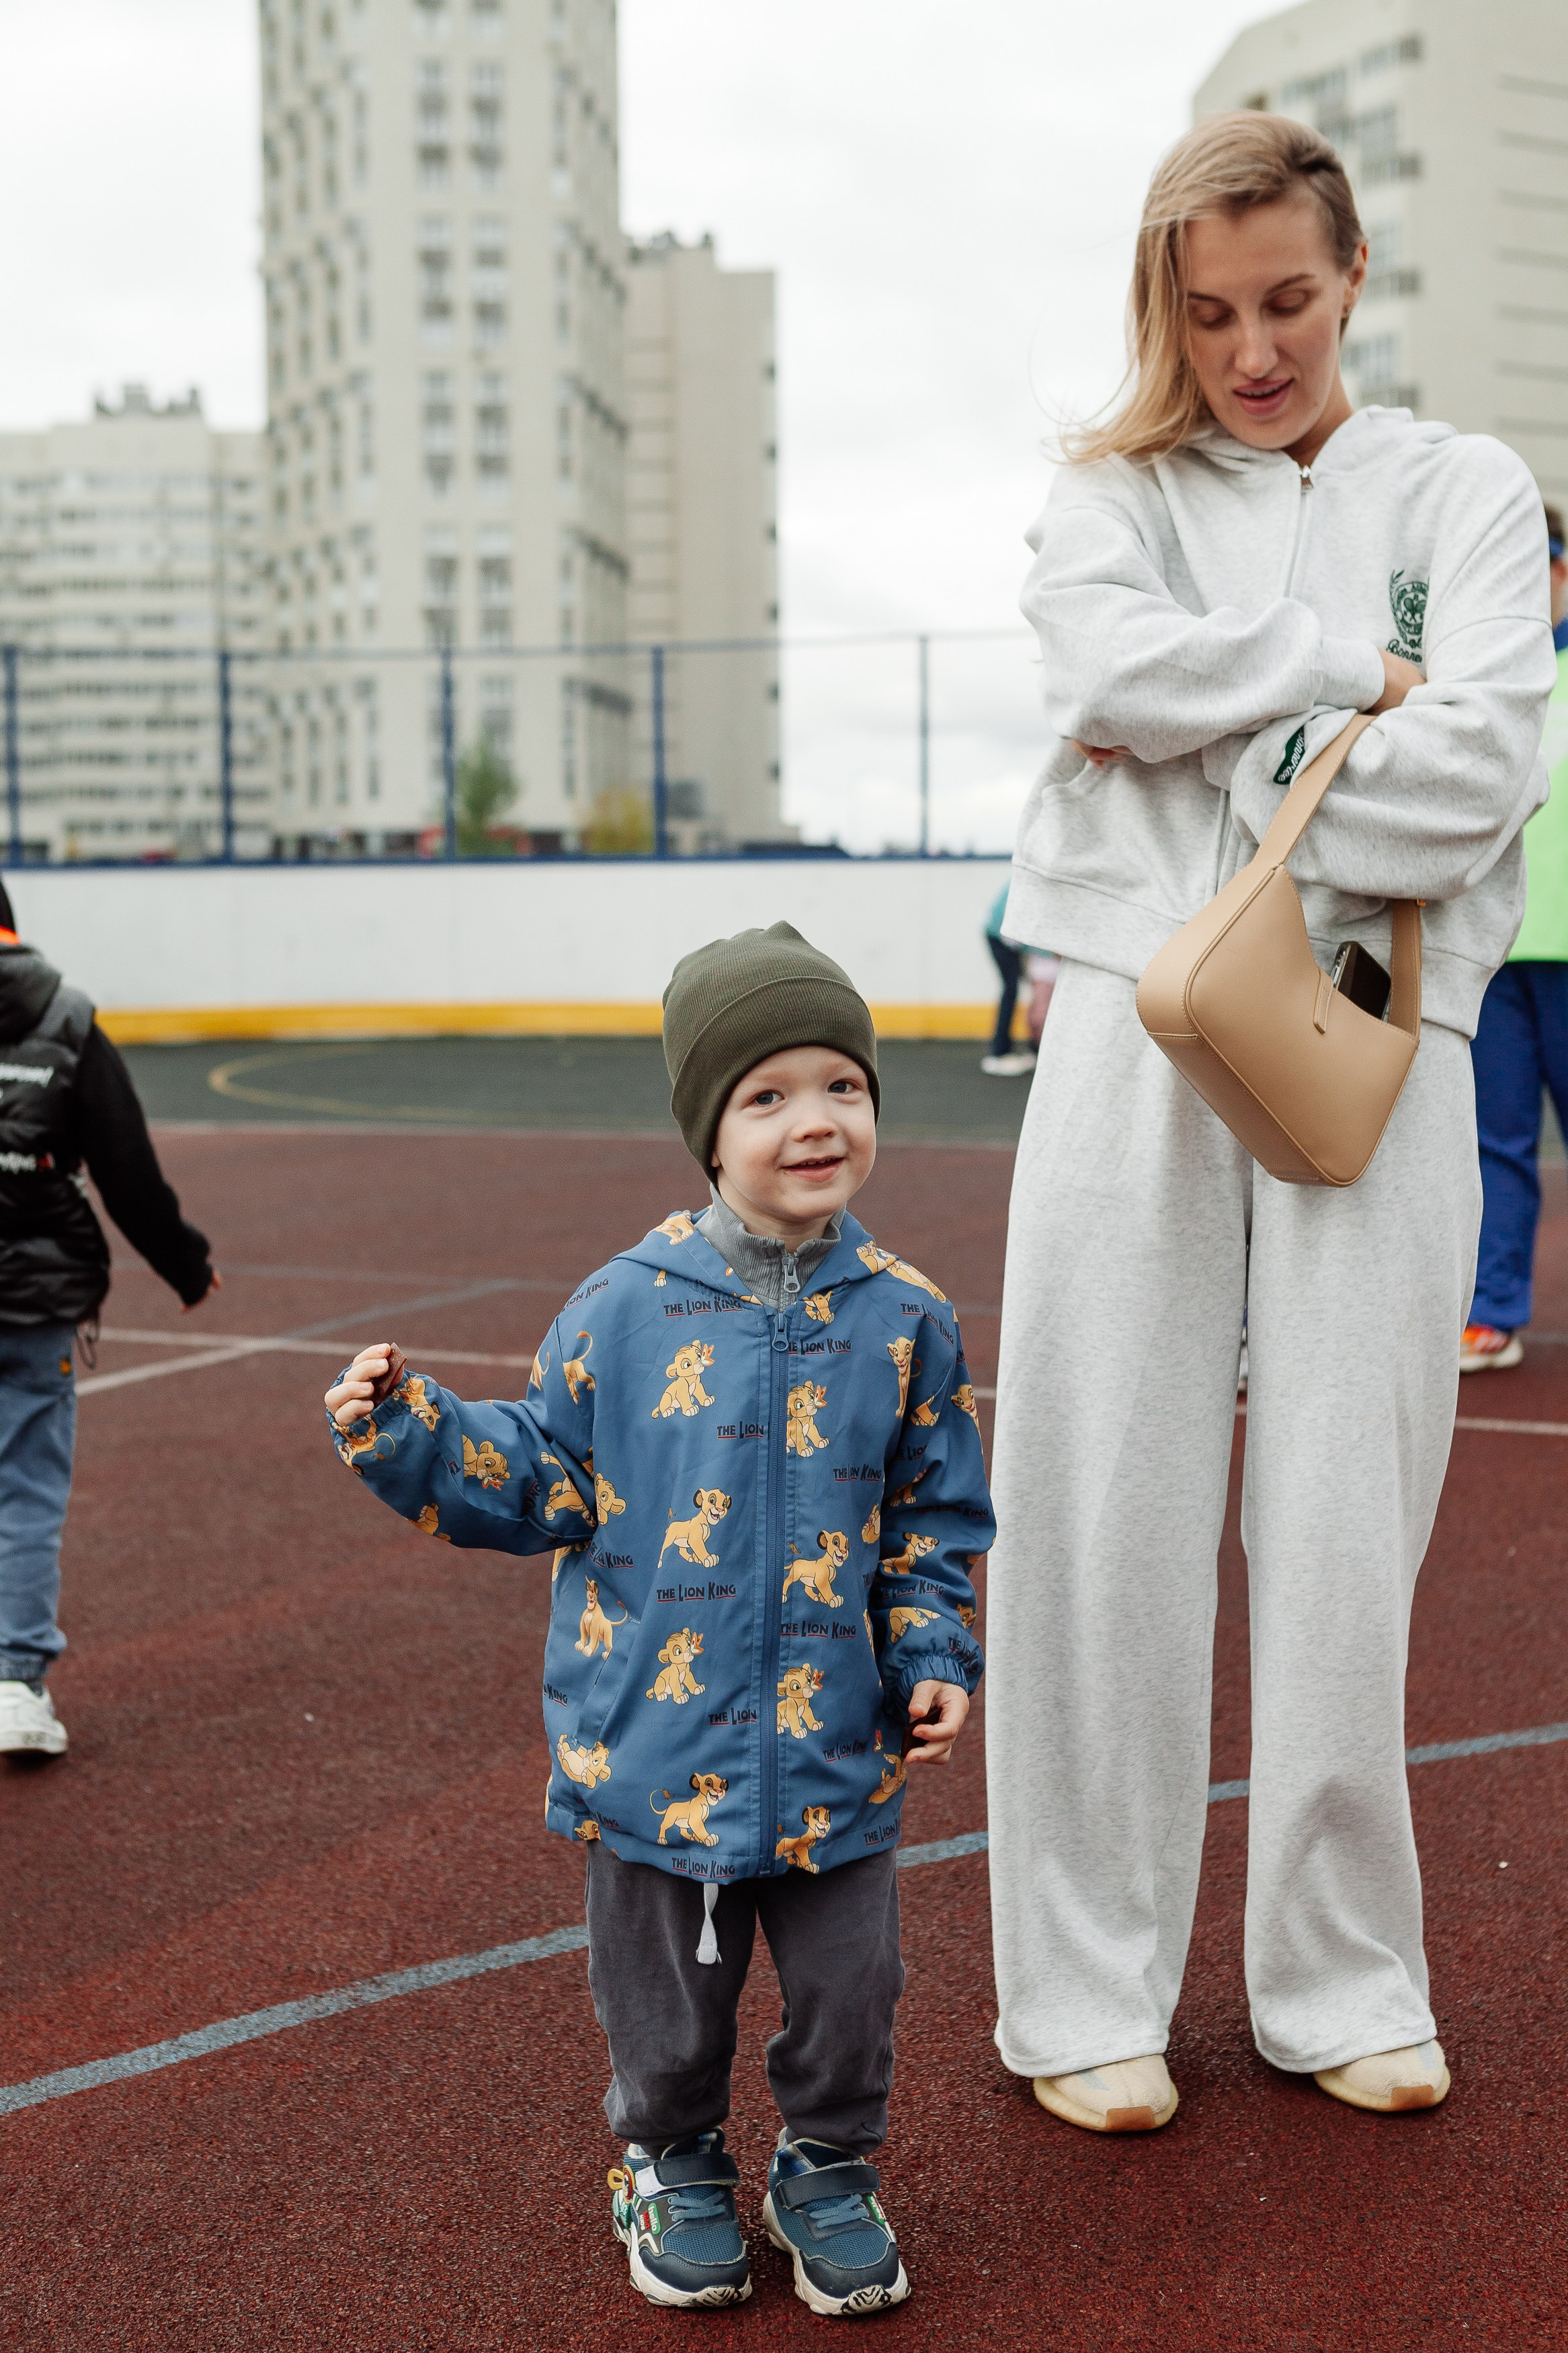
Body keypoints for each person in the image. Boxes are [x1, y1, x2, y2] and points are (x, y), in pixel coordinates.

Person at [985, 114, 1555, 2135]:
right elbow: (1095, 661)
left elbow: (1481, 767)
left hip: (1385, 1029)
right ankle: (1079, 1987)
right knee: (1097, 1496)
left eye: (1287, 301)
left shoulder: (1466, 485)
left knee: (1343, 1509)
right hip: (1135, 1022)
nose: (1250, 351)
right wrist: (1335, 681)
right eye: (1208, 310)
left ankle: (1338, 1976)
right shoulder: (1106, 493)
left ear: (1354, 271)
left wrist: (1199, 740)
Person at [325, 921, 990, 2316]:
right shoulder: (617, 1313)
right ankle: (669, 2158)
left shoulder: (906, 1320)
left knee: (851, 1993)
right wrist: (412, 1432)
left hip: (834, 1756)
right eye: (766, 1095)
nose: (813, 1119)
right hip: (650, 1753)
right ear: (707, 1127)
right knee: (663, 2009)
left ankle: (825, 2162)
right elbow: (538, 1473)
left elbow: (932, 1519)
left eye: (841, 1086)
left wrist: (931, 1649)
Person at [0, 881, 218, 1756]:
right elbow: (126, 1165)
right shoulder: (66, 1017)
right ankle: (15, 1686)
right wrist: (186, 1265)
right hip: (38, 1300)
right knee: (24, 1492)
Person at [1461, 503, 1568, 1371]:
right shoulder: (1472, 681)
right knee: (1495, 1143)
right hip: (1491, 953)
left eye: (1545, 557)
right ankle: (1492, 1310)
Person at [981, 883, 1035, 1076]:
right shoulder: (1029, 881)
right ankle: (999, 1052)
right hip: (1000, 937)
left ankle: (1002, 1049)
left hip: (999, 935)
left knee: (1011, 989)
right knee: (1010, 989)